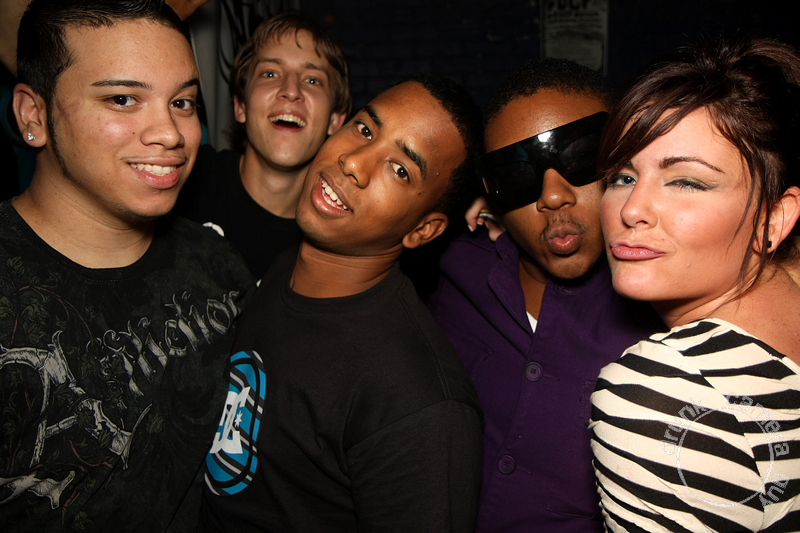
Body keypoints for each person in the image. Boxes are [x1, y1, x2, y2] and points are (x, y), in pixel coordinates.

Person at [0, 1, 254, 531]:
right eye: (122, 99)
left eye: (182, 102)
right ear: (33, 116)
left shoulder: (220, 267)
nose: (171, 133)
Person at [200, 75, 484, 532]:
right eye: (365, 129)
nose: (353, 162)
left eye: (400, 170)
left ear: (422, 230)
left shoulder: (419, 405)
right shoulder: (289, 266)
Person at [428, 59, 663, 532]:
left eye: (582, 156)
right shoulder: (456, 269)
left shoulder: (668, 310)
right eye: (517, 174)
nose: (553, 195)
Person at [590, 34, 800, 532]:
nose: (631, 210)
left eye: (686, 181)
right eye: (622, 177)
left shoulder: (664, 391)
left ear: (773, 218)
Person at [174, 11, 350, 278]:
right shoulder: (184, 179)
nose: (291, 90)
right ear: (241, 106)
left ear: (335, 120)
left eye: (312, 80)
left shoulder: (343, 242)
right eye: (270, 73)